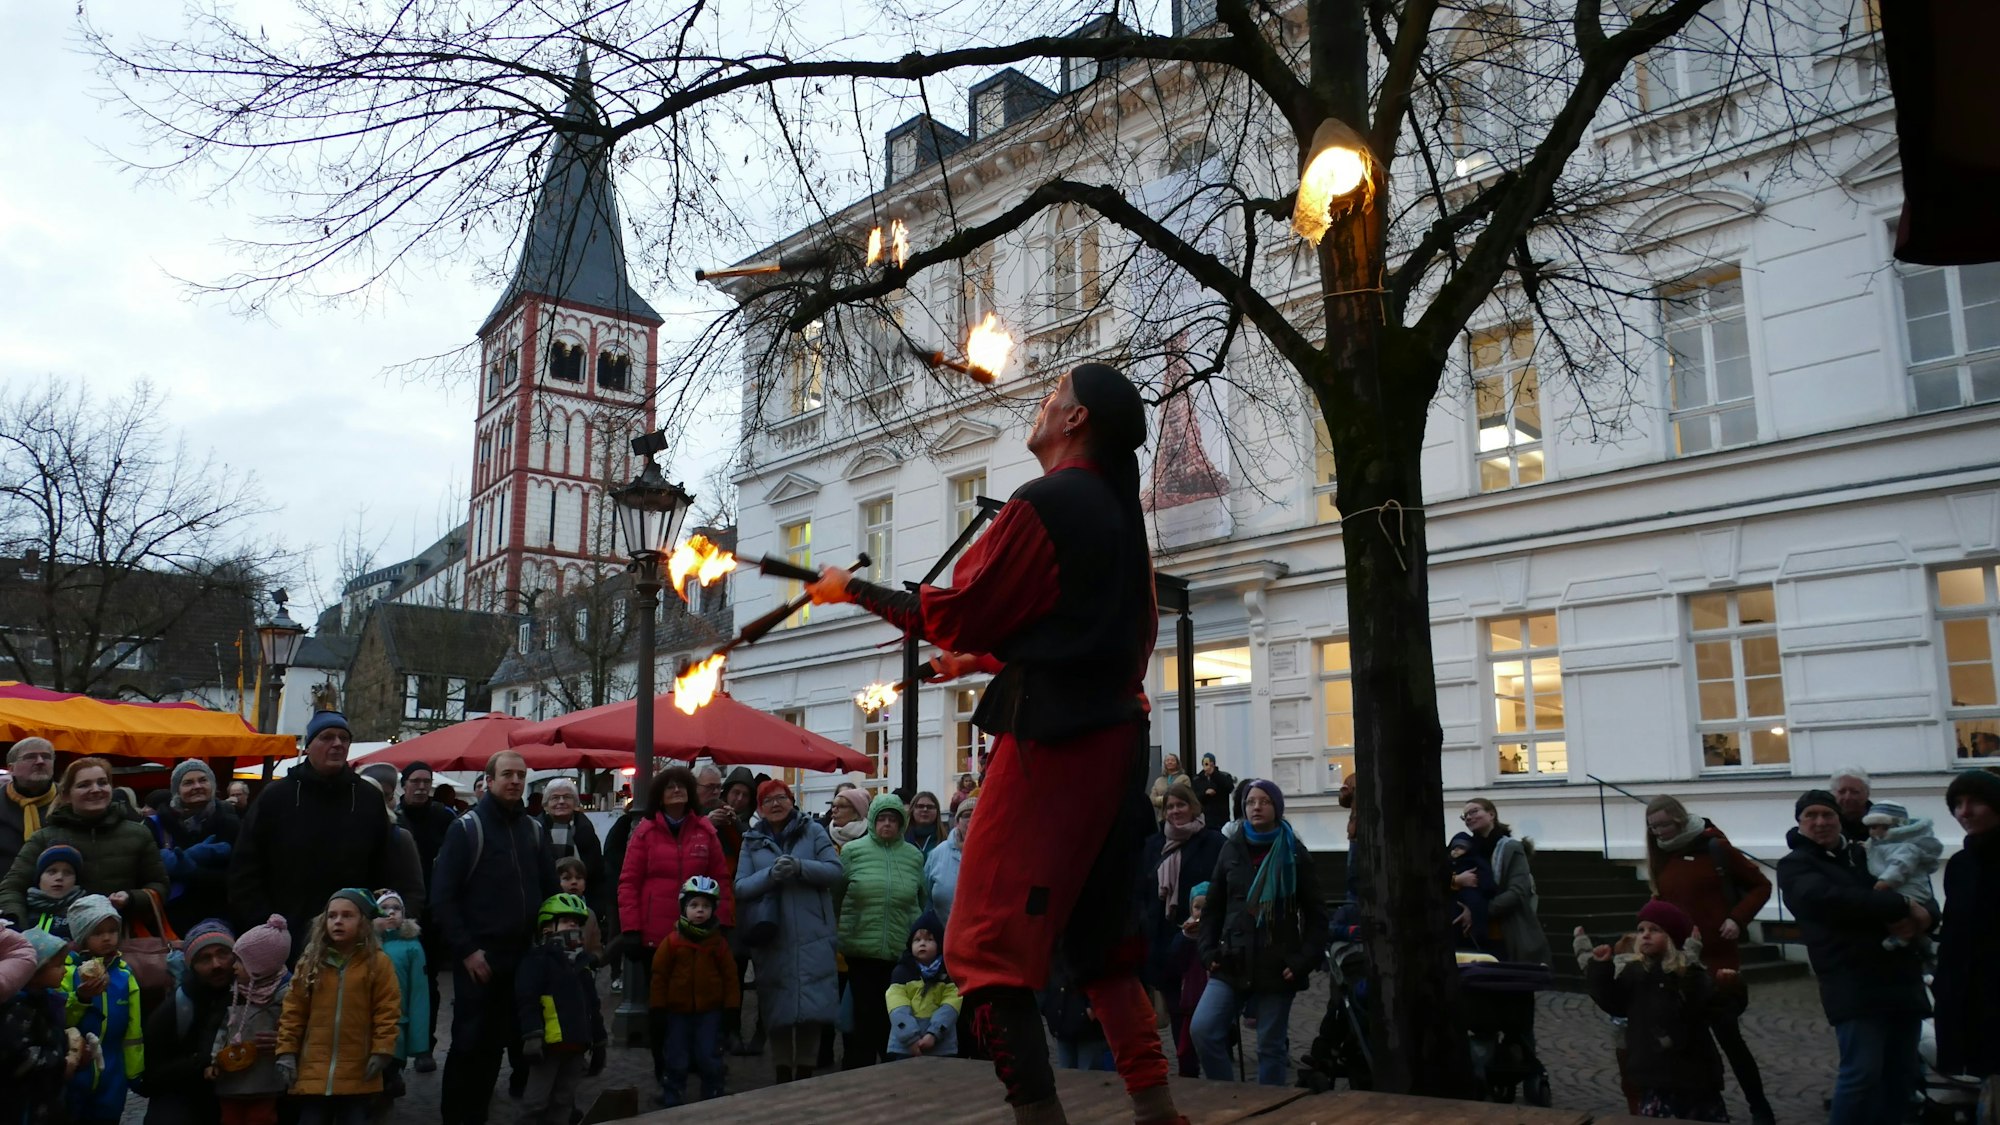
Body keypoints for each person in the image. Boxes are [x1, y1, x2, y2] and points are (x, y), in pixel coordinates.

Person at [806, 362, 1182, 1125]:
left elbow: (956, 610)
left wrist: (852, 590)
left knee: (980, 949)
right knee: (1103, 946)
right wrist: (974, 662)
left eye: (1053, 399)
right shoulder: (1118, 515)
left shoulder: (1046, 501)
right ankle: (1157, 1111)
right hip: (1115, 743)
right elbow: (1089, 634)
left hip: (1059, 747)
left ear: (1076, 420)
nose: (1041, 408)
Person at [1776, 788, 1931, 1125]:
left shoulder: (1867, 855)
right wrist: (1902, 907)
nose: (1820, 822)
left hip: (1901, 978)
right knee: (1860, 1074)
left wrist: (1927, 916)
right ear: (1800, 823)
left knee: (1902, 1075)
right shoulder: (1795, 866)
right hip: (1852, 982)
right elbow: (1831, 900)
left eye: (1827, 814)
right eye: (1811, 816)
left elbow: (1917, 887)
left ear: (1840, 820)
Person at [429, 749, 558, 1125]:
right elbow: (443, 898)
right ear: (489, 780)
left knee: (522, 1038)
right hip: (481, 958)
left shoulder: (533, 829)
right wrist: (467, 950)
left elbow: (549, 890)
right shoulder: (467, 829)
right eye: (507, 775)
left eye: (520, 775)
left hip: (524, 956)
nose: (515, 781)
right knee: (473, 1046)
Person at [1641, 794, 1774, 1125]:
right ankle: (1697, 1106)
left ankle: (1759, 1107)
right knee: (1684, 1038)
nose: (1658, 832)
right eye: (1652, 827)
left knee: (1728, 1034)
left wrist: (1737, 918)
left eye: (1664, 825)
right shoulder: (1660, 855)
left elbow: (1760, 885)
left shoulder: (1714, 847)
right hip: (1679, 960)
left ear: (1680, 820)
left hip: (1717, 955)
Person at [1191, 779, 1327, 1086]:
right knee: (1203, 1029)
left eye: (1264, 801)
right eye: (1251, 801)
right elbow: (1213, 907)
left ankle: (1268, 1112)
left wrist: (1303, 959)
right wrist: (1208, 951)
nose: (1256, 807)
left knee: (1270, 1047)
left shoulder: (1295, 853)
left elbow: (1317, 915)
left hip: (1277, 966)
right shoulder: (1230, 849)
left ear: (1276, 808)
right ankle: (1228, 1100)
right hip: (1231, 960)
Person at [227, 711, 395, 955]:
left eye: (343, 738)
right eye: (327, 737)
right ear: (308, 747)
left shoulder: (367, 799)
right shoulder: (277, 797)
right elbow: (245, 867)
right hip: (285, 934)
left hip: (350, 935)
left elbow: (383, 867)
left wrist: (370, 917)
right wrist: (263, 923)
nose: (337, 744)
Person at [1576, 901, 1742, 1122]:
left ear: (1672, 938)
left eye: (1655, 930)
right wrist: (1601, 967)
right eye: (1641, 930)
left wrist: (1728, 985)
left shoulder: (1686, 973)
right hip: (1651, 1074)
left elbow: (1709, 1006)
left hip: (1694, 1076)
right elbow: (1613, 1002)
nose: (1645, 935)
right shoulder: (1635, 972)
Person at [733, 779, 842, 1084]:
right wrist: (771, 874)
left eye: (781, 798)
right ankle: (782, 1073)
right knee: (777, 1006)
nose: (776, 804)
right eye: (768, 801)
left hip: (813, 933)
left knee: (812, 1006)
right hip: (773, 934)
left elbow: (834, 871)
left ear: (792, 801)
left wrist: (799, 867)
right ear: (760, 808)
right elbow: (740, 887)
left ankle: (806, 1071)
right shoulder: (751, 841)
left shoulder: (814, 831)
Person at [275, 889, 400, 1125]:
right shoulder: (311, 961)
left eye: (347, 915)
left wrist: (382, 1049)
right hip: (314, 1070)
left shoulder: (378, 963)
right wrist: (286, 1052)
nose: (338, 921)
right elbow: (293, 1010)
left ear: (363, 922)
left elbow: (387, 1010)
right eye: (332, 916)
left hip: (358, 1069)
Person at [1, 757, 167, 926]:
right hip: (57, 941)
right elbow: (12, 888)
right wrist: (19, 927)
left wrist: (131, 898)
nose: (95, 790)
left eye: (102, 783)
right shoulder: (44, 838)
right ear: (66, 795)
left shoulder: (138, 834)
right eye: (84, 785)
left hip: (121, 938)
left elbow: (159, 885)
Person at [836, 791, 926, 1069]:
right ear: (873, 820)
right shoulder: (852, 852)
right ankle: (857, 1073)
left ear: (901, 824)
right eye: (882, 819)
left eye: (893, 820)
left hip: (899, 951)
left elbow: (921, 899)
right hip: (861, 948)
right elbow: (836, 896)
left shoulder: (913, 856)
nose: (887, 824)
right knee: (863, 1018)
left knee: (894, 1016)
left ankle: (891, 1071)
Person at [1138, 782, 1222, 1068]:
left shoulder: (1214, 842)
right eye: (1170, 806)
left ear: (1194, 807)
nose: (1175, 811)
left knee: (1203, 1010)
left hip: (1201, 941)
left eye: (1181, 805)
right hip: (1164, 941)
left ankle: (1210, 1060)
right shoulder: (1153, 844)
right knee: (1177, 1009)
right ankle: (1188, 1067)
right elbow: (1144, 890)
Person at [514, 893, 606, 1125]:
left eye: (576, 924)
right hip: (547, 1046)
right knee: (535, 1102)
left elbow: (592, 1006)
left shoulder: (582, 963)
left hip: (576, 1046)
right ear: (547, 928)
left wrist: (599, 1041)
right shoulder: (537, 960)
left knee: (563, 1101)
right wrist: (532, 1035)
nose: (572, 927)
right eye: (566, 922)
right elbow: (527, 999)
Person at [1934, 769, 2000, 1086]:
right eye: (1958, 804)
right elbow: (1954, 934)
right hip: (1969, 998)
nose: (1965, 812)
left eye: (1975, 802)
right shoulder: (1960, 864)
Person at [647, 875, 737, 1105]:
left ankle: (713, 1091)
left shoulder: (718, 944)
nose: (700, 911)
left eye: (706, 906)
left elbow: (730, 978)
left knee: (709, 1055)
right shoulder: (672, 942)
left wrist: (731, 1008)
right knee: (676, 1055)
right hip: (677, 1011)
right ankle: (672, 1093)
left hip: (710, 1011)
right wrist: (657, 1008)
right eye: (694, 905)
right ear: (683, 908)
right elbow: (659, 976)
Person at [137, 919, 234, 1125]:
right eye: (205, 958)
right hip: (185, 1094)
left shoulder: (253, 994)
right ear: (192, 966)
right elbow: (151, 1078)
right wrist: (199, 1063)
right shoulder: (177, 1007)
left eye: (223, 954)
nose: (217, 964)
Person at [395, 760, 455, 1074]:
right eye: (415, 781)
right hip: (394, 911)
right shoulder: (393, 816)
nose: (421, 787)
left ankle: (424, 1046)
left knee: (426, 983)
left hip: (430, 911)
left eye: (426, 782)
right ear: (403, 784)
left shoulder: (444, 817)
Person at [64, 893, 145, 1125]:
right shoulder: (68, 973)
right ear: (82, 936)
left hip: (113, 1069)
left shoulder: (124, 975)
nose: (107, 938)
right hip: (77, 1069)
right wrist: (81, 997)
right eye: (98, 933)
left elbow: (133, 1028)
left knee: (108, 1116)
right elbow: (62, 1018)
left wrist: (134, 1072)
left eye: (112, 931)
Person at [212, 914, 293, 1125]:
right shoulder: (235, 991)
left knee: (262, 1118)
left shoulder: (287, 996)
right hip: (231, 1076)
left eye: (240, 961)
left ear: (260, 966)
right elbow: (223, 1029)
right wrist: (214, 1059)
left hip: (265, 1079)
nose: (233, 966)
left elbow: (298, 1028)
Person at [0, 927, 80, 1125]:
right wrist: (63, 1062)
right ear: (34, 973)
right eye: (58, 965)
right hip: (25, 1105)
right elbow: (18, 1057)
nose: (64, 970)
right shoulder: (18, 1007)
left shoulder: (45, 999)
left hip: (47, 1100)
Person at [154, 760, 241, 934]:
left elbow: (237, 875)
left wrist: (193, 872)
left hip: (219, 919)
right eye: (188, 782)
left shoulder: (232, 824)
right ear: (176, 790)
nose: (197, 786)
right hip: (170, 922)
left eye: (203, 780)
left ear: (212, 785)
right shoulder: (158, 824)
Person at [1461, 797, 1551, 964]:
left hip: (1508, 931)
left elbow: (1517, 891)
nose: (1468, 817)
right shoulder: (1465, 850)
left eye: (1474, 812)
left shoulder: (1511, 848)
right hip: (1475, 935)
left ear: (1491, 814)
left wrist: (1479, 912)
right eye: (1465, 815)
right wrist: (1458, 881)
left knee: (1512, 984)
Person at [1860, 799, 1942, 953]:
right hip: (1898, 889)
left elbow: (1899, 866)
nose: (1872, 832)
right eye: (1871, 827)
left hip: (1909, 889)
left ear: (1895, 827)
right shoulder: (1880, 844)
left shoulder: (1907, 847)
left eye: (1878, 827)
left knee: (1897, 911)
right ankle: (1920, 941)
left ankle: (1905, 937)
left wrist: (1886, 882)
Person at [372, 889, 428, 1098]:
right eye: (384, 908)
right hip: (366, 1024)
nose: (391, 913)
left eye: (397, 908)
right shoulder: (366, 945)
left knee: (387, 1081)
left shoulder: (412, 947)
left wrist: (420, 1044)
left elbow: (419, 996)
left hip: (397, 1024)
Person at [887, 909, 961, 1059]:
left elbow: (951, 1005)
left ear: (940, 944)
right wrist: (910, 1038)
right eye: (917, 939)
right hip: (905, 1046)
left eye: (929, 939)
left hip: (941, 1046)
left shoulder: (948, 973)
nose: (922, 943)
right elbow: (897, 1007)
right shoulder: (901, 972)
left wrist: (934, 1034)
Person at [356, 766, 428, 920]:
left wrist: (398, 923)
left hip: (388, 932)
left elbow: (414, 892)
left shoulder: (399, 837)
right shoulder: (343, 832)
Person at [1, 738, 60, 878]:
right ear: (11, 768)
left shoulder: (70, 800)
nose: (40, 761)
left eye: (46, 757)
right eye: (30, 757)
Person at [925, 795, 975, 928]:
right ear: (957, 822)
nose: (971, 819)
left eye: (977, 814)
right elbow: (925, 896)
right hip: (943, 934)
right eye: (966, 815)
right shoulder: (938, 853)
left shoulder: (994, 853)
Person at [24, 844, 85, 939]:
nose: (59, 877)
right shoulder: (23, 910)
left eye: (68, 872)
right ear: (39, 879)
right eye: (52, 872)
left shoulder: (85, 911)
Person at [1190, 754, 1235, 833]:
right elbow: (1194, 797)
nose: (1208, 765)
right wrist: (1205, 793)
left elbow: (1229, 788)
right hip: (1204, 818)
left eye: (1210, 762)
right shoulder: (1197, 779)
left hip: (1221, 817)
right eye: (1206, 763)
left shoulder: (1224, 776)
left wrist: (1214, 774)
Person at [1828, 767, 1872, 844]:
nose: (1847, 797)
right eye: (1842, 791)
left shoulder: (1881, 823)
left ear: (1867, 793)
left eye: (1854, 792)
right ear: (1833, 794)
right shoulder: (1825, 824)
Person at [1150, 755, 1191, 825]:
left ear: (1177, 763)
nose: (1170, 762)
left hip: (1178, 816)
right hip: (1163, 818)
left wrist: (1162, 799)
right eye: (1167, 760)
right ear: (1164, 763)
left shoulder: (1184, 778)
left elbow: (1185, 796)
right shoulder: (1158, 780)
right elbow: (1152, 799)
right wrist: (1167, 799)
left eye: (1172, 760)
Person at [905, 791, 946, 858]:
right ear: (912, 810)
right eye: (920, 806)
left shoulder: (945, 840)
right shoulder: (900, 838)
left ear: (937, 811)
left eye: (930, 807)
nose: (925, 810)